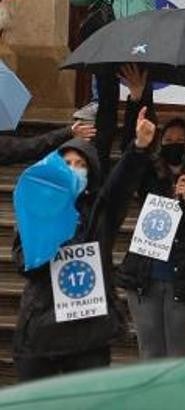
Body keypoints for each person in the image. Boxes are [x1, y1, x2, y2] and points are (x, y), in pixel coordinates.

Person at [12, 126, 152, 380]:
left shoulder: (100, 213)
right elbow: (23, 263)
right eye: (67, 163)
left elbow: (120, 187)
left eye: (80, 164)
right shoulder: (37, 211)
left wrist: (139, 148)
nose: (73, 168)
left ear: (90, 173)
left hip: (89, 337)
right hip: (42, 332)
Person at [116, 85, 185, 360]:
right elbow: (128, 160)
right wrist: (136, 102)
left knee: (177, 356)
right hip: (145, 278)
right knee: (149, 354)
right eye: (168, 139)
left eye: (180, 140)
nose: (174, 144)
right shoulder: (151, 177)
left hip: (183, 282)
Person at [68, 0, 160, 172]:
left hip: (139, 31)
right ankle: (100, 167)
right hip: (106, 33)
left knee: (142, 98)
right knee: (106, 101)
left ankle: (138, 164)